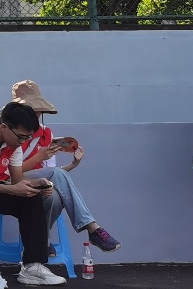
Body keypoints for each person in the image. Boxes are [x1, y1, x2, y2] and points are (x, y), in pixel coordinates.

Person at [11, 80, 121, 253]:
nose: (36, 115)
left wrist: (73, 164)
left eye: (38, 110)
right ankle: (92, 228)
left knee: (55, 197)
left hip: (38, 181)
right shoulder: (11, 131)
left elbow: (54, 174)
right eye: (32, 110)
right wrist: (39, 156)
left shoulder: (46, 133)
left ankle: (41, 240)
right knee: (54, 184)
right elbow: (10, 171)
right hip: (12, 180)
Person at [0, 102, 66, 286]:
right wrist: (12, 189)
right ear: (4, 127)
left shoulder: (14, 142)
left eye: (27, 138)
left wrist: (37, 184)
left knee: (31, 198)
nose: (23, 142)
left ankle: (33, 266)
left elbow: (17, 180)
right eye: (21, 137)